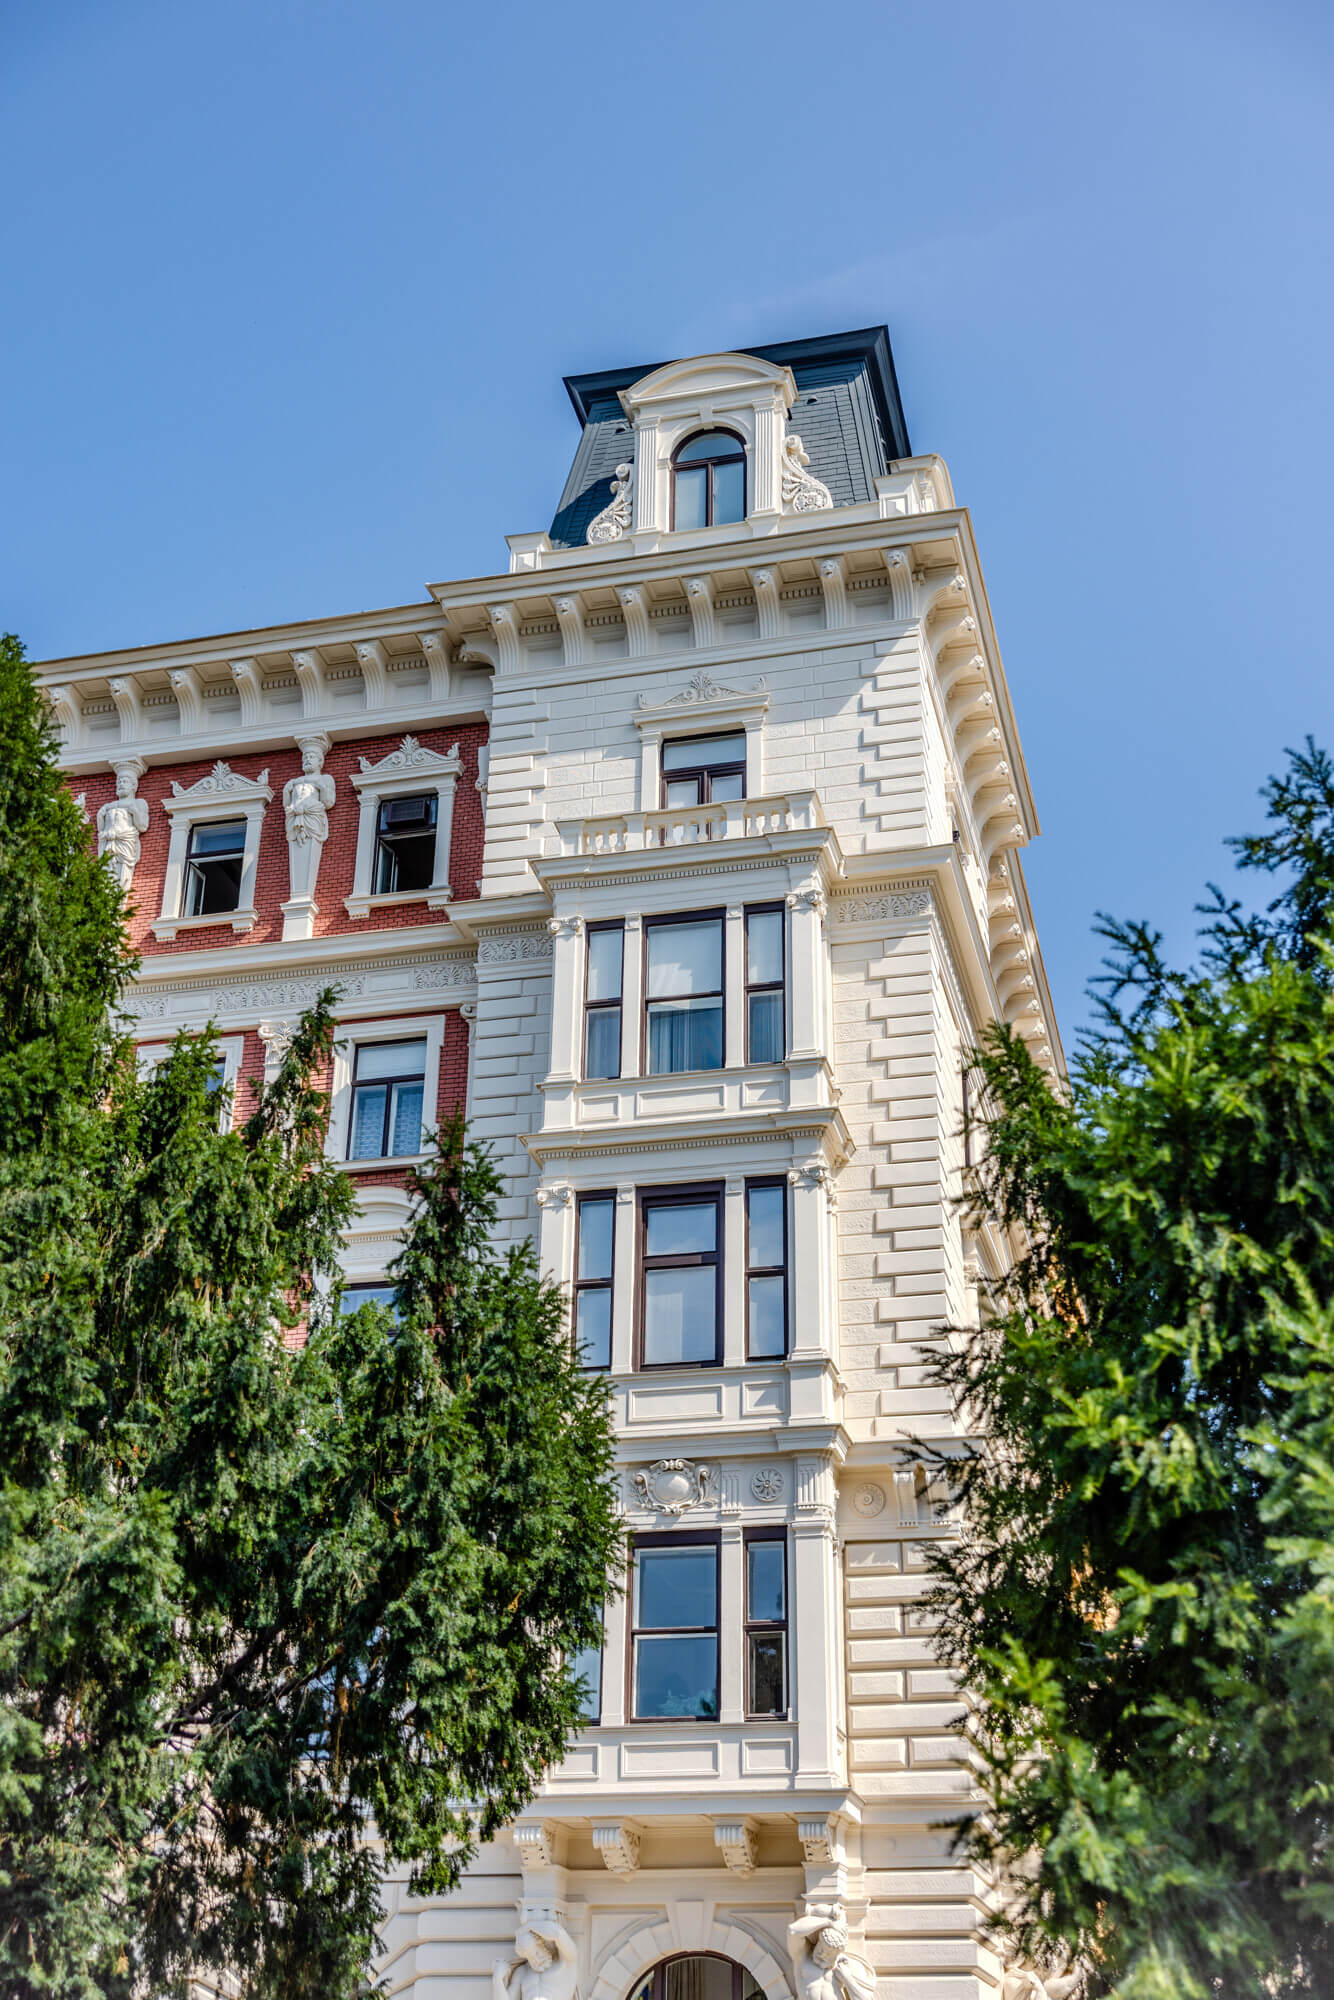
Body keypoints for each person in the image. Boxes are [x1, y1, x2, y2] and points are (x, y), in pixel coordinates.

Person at [787, 1906, 877, 2000]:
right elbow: (792, 1930)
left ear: (837, 1953)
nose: (822, 1955)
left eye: (828, 1954)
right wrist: (828, 1922)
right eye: (821, 1949)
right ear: (818, 1941)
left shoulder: (845, 1965)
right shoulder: (803, 1956)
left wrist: (847, 1978)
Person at [493, 1918, 578, 2000]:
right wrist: (497, 1979)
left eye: (537, 1953)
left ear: (542, 1943)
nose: (537, 1960)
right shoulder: (522, 1972)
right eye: (531, 1958)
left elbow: (558, 1933)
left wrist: (528, 1926)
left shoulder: (565, 1963)